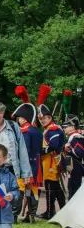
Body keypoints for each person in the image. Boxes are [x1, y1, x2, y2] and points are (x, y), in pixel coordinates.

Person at [10, 86, 43, 223]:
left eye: (19, 118)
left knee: (20, 190)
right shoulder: (37, 131)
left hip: (25, 165)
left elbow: (24, 150)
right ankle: (32, 215)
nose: (18, 120)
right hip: (35, 164)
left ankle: (14, 216)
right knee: (32, 190)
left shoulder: (24, 132)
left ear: (24, 119)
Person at [36, 87, 66, 219]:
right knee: (55, 187)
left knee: (50, 187)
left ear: (49, 118)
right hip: (49, 161)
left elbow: (52, 146)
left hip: (52, 161)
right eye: (41, 119)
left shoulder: (52, 129)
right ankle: (61, 209)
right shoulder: (48, 128)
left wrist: (39, 152)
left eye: (44, 118)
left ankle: (50, 212)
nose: (42, 121)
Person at [63, 114, 84, 200]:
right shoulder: (71, 137)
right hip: (73, 169)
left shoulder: (75, 137)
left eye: (66, 126)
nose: (64, 128)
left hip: (77, 169)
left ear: (72, 127)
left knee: (74, 192)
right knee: (71, 189)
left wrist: (69, 150)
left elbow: (80, 153)